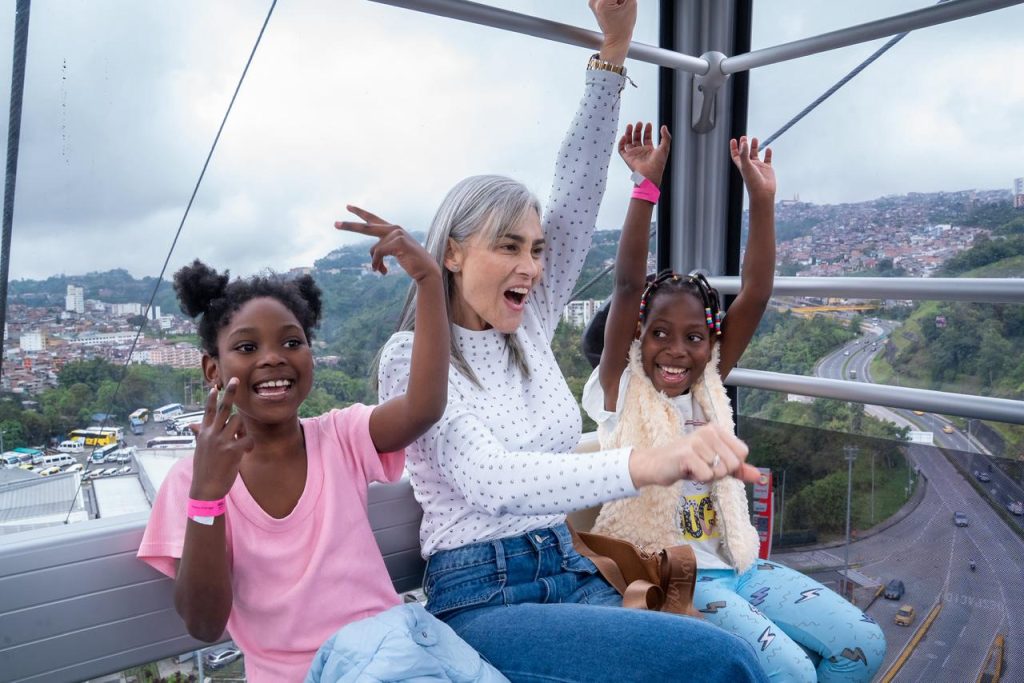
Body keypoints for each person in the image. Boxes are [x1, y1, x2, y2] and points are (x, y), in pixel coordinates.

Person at [366, 2, 767, 680]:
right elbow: (492, 479)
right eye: (509, 246)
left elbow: (577, 191)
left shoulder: (529, 323)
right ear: (453, 254)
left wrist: (613, 54)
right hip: (484, 595)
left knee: (716, 648)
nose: (531, 266)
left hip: (570, 563)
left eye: (537, 249)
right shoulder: (412, 358)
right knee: (721, 662)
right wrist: (648, 461)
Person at [580, 122, 886, 682]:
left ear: (711, 345)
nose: (676, 350)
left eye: (694, 337)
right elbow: (626, 288)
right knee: (793, 673)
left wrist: (761, 200)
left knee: (863, 643)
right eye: (659, 334)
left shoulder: (708, 385)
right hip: (675, 573)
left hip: (739, 564)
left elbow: (757, 292)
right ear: (635, 338)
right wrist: (646, 188)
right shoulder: (620, 391)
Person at [137, 219, 503, 682]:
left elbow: (423, 407)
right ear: (213, 369)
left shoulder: (340, 436)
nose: (273, 357)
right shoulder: (192, 481)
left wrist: (431, 282)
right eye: (247, 347)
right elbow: (205, 624)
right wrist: (208, 496)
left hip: (393, 652)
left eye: (292, 342)